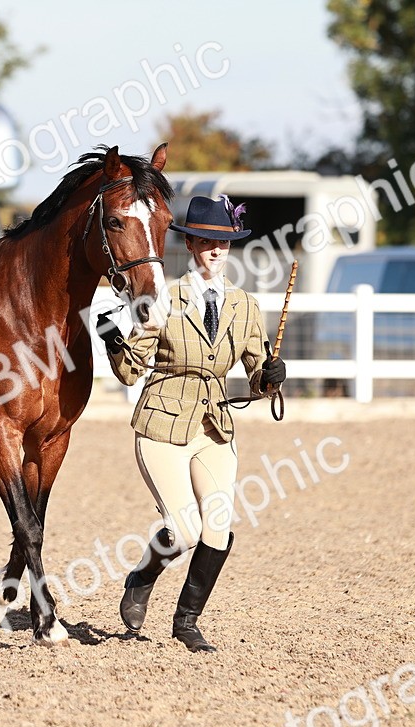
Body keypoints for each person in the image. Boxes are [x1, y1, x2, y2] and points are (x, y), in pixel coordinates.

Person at [96, 195, 286, 653]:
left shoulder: (244, 306)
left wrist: (272, 376)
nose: (215, 250)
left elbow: (258, 376)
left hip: (214, 425)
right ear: (193, 244)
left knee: (217, 528)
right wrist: (112, 341)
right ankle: (143, 576)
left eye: (223, 242)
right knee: (183, 530)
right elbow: (130, 372)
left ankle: (186, 622)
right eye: (206, 241)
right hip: (163, 419)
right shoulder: (164, 299)